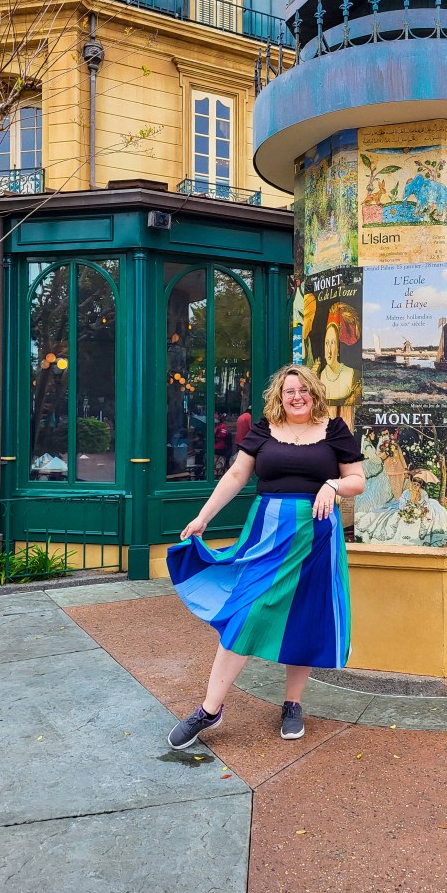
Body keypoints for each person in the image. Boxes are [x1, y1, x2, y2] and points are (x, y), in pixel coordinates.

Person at [166, 365, 365, 749]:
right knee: (245, 614)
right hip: (267, 533)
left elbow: (357, 480)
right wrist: (203, 518)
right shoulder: (264, 428)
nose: (297, 397)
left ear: (314, 393)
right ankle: (210, 709)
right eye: (290, 391)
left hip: (316, 537)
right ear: (279, 394)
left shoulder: (334, 430)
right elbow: (237, 475)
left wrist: (332, 484)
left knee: (305, 617)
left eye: (304, 390)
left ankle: (292, 704)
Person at [319, 313, 361, 405]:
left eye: (333, 343)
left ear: (338, 348)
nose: (329, 350)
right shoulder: (316, 377)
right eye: (327, 343)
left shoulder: (355, 377)